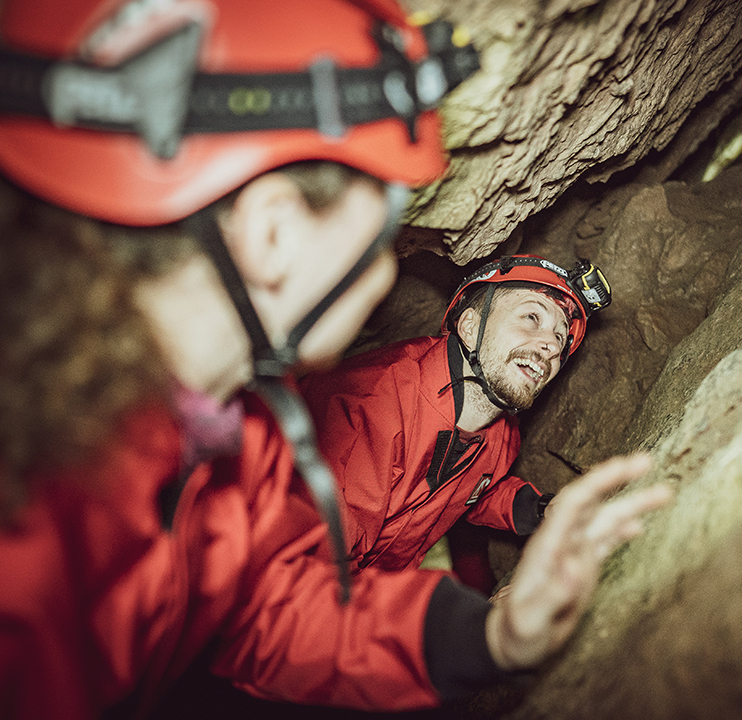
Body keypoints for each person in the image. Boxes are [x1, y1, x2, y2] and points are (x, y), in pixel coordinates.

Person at [0, 2, 671, 719]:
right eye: (385, 230)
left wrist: (488, 631)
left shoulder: (236, 435)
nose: (388, 273)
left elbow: (273, 611)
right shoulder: (42, 514)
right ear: (273, 232)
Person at [300, 255, 613, 594]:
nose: (552, 346)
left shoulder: (501, 434)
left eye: (561, 338)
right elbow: (317, 585)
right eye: (531, 317)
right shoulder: (366, 410)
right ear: (469, 327)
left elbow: (475, 490)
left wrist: (539, 509)